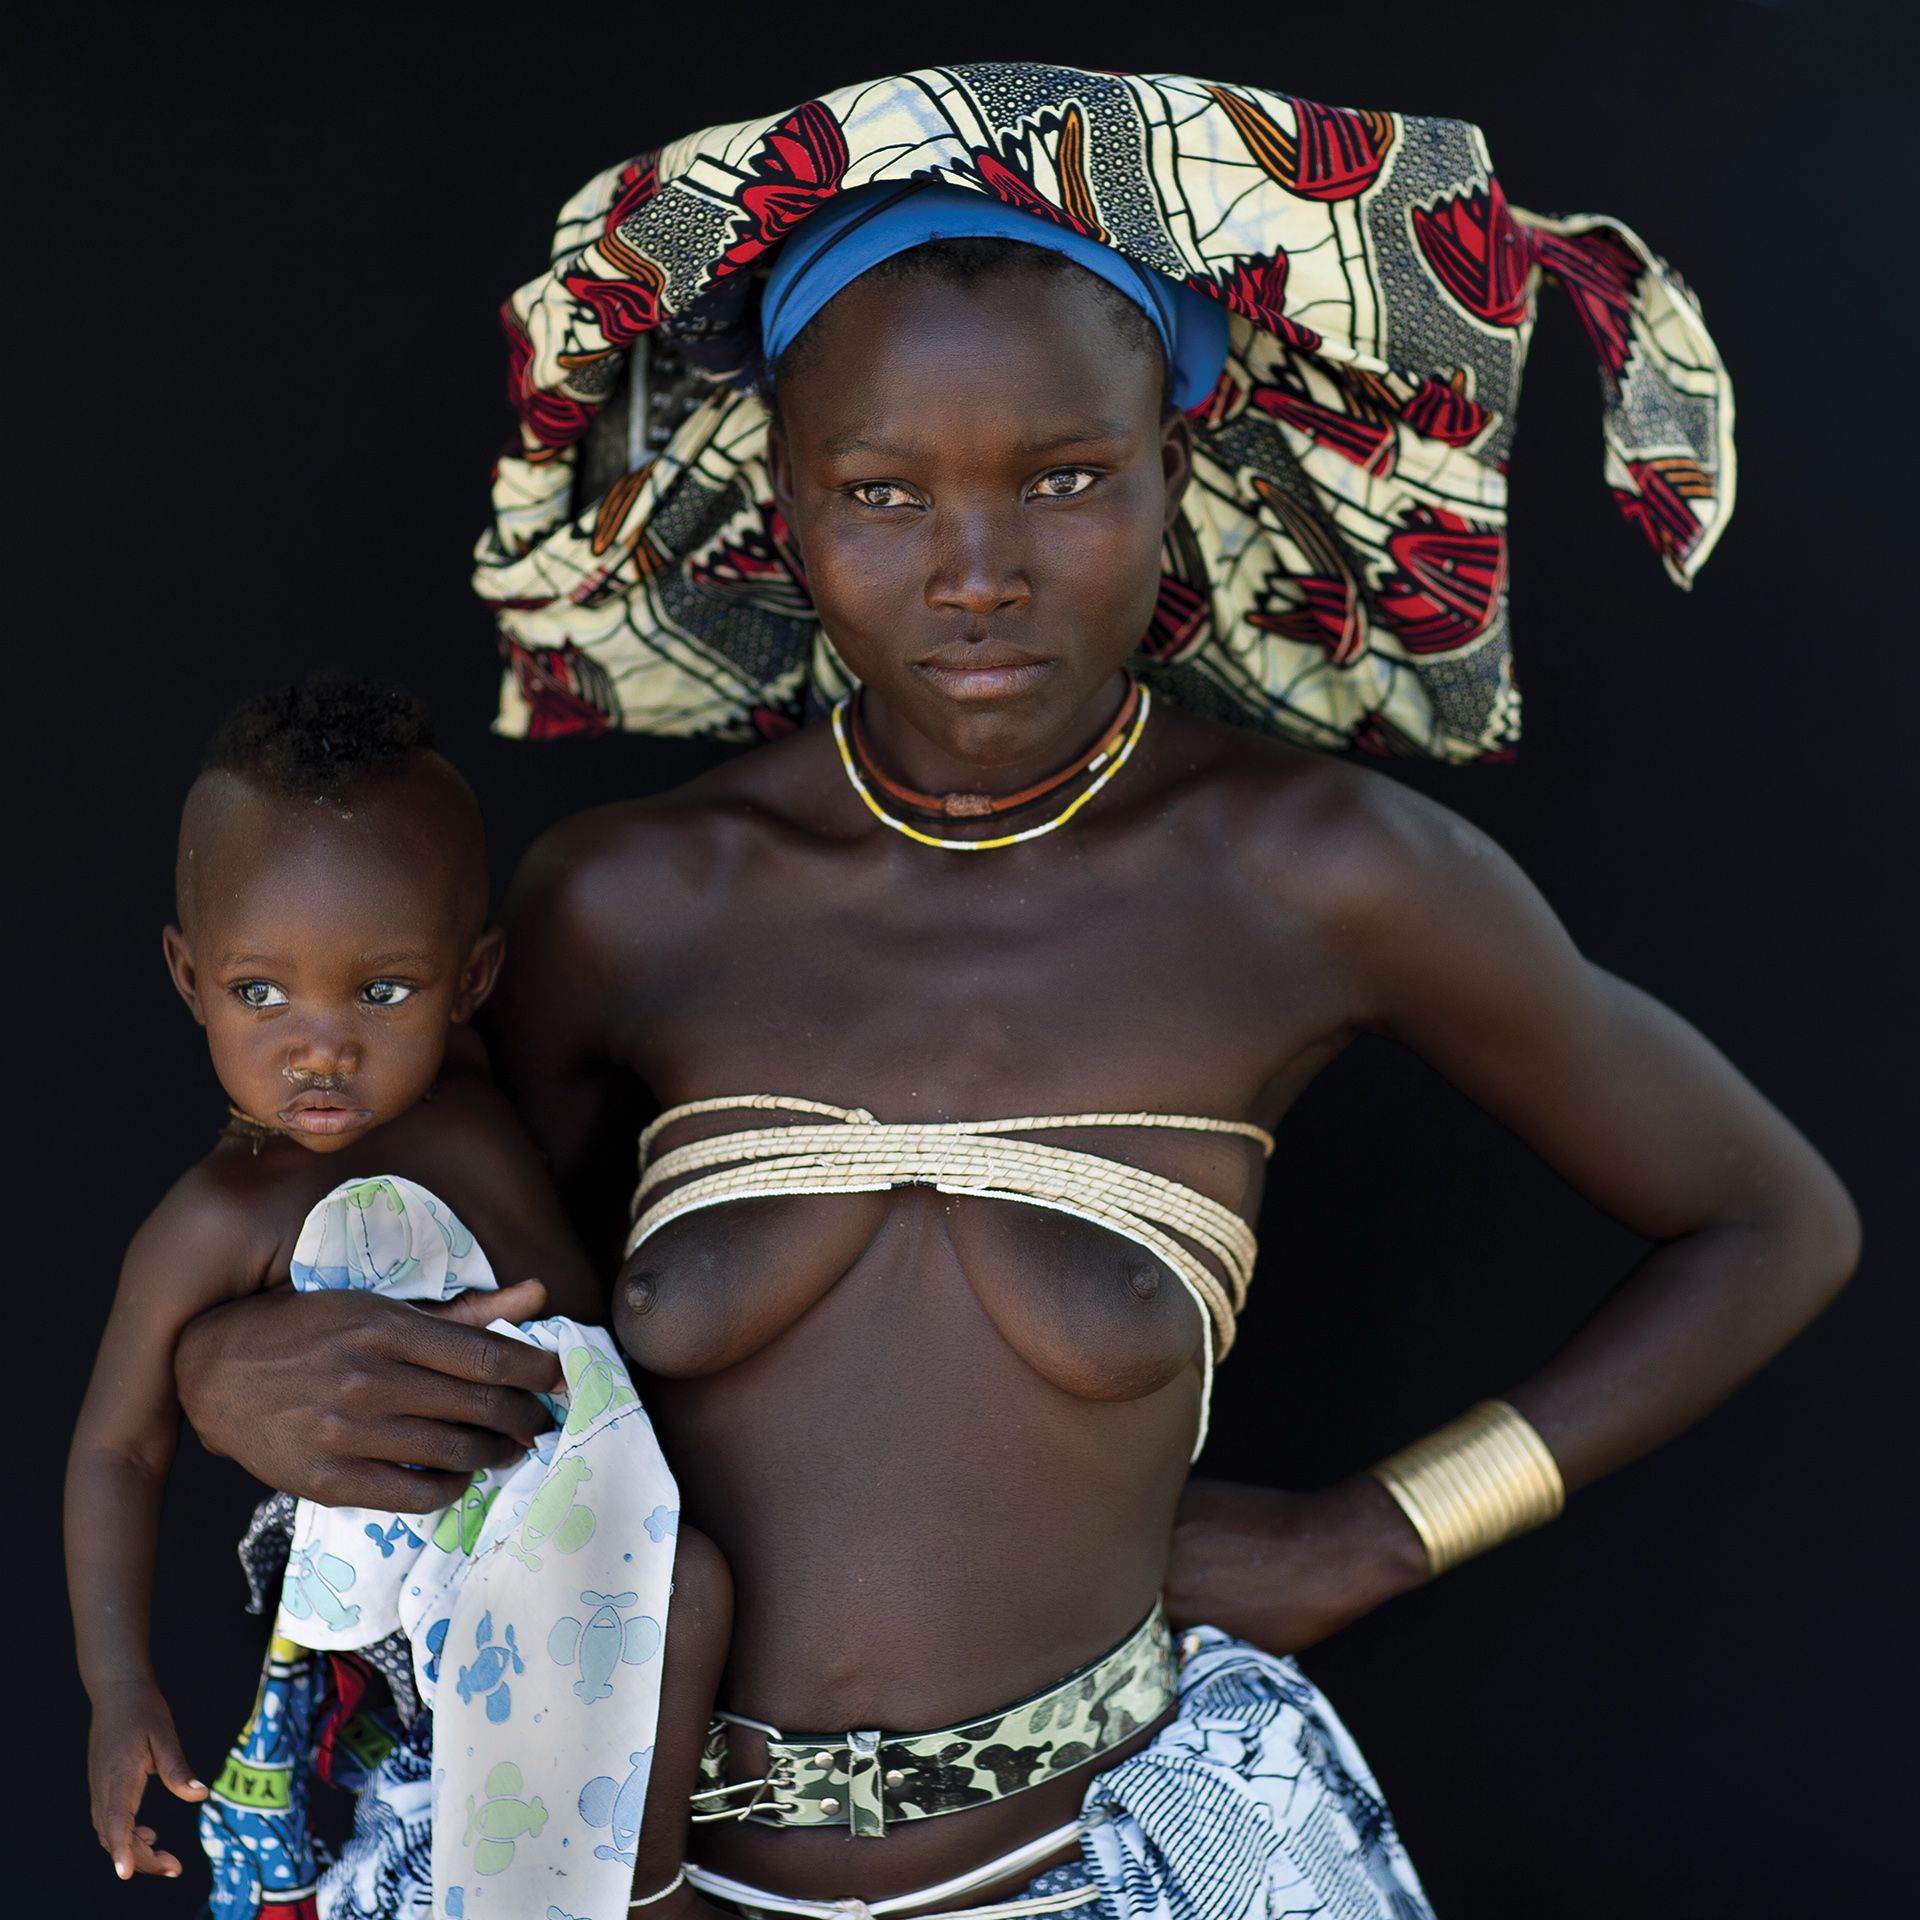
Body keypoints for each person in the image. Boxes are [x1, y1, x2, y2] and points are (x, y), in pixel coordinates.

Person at [172, 67, 1858, 1918]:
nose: (977, 576)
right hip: (612, 1872)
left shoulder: (1311, 877)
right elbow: (430, 1262)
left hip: (1094, 1866)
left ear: (1172, 471)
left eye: (1066, 478)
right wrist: (222, 1363)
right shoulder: (642, 902)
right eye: (881, 492)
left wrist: (1380, 1534)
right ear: (785, 512)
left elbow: (1771, 1219)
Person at [65, 677, 728, 1919]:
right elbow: (117, 1445)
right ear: (187, 974)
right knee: (685, 1605)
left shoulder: (474, 1086)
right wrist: (120, 1688)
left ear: (471, 980)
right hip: (453, 1599)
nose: (322, 1046)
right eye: (262, 993)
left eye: (382, 992)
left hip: (604, 1508)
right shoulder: (223, 1216)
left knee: (693, 1603)